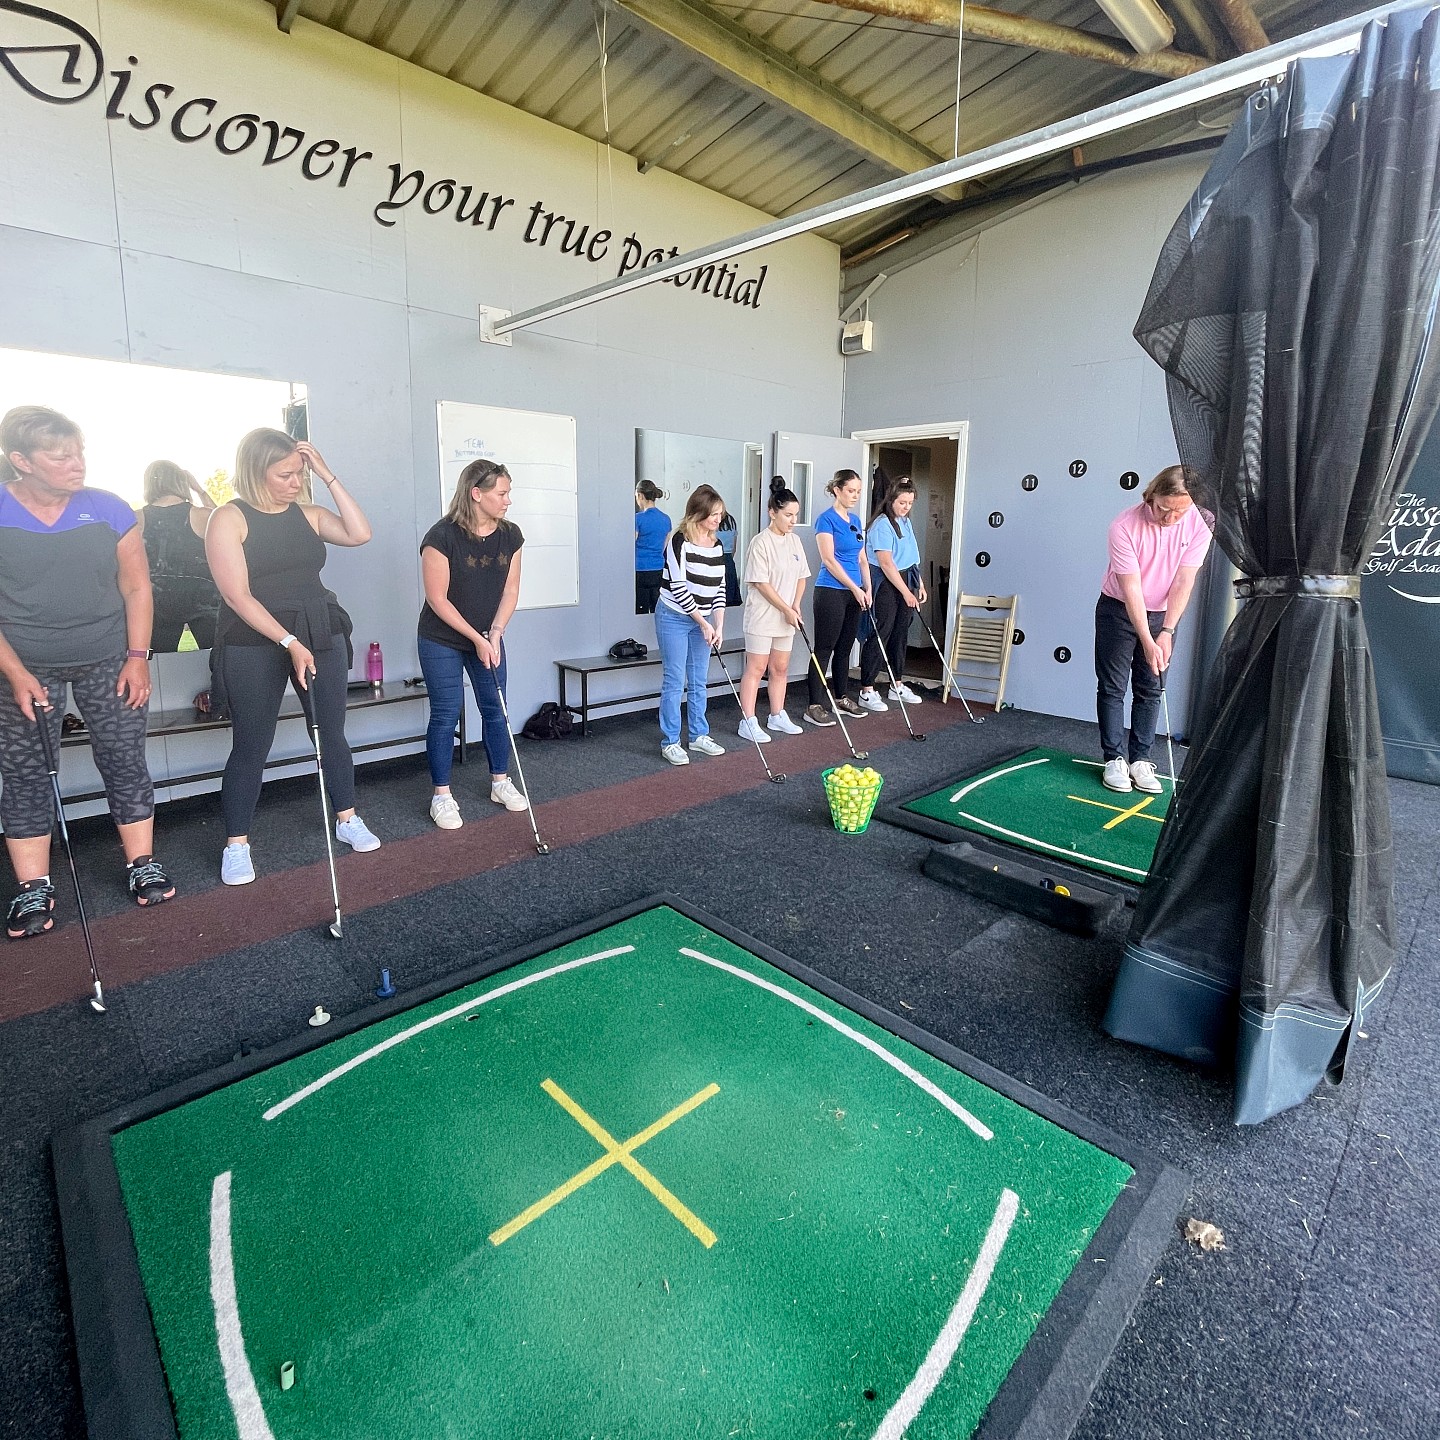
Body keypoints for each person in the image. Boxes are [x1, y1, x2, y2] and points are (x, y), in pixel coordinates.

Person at [0, 405, 174, 939]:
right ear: (20, 460)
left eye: (79, 453)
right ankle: (33, 887)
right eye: (61, 457)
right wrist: (15, 673)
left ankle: (142, 863)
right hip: (25, 664)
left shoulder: (109, 509)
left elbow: (136, 586)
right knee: (26, 773)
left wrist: (138, 657)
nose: (77, 464)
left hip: (108, 657)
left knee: (124, 758)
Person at [205, 428, 378, 885]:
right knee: (251, 744)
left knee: (331, 732)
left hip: (318, 628)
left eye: (301, 473)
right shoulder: (228, 518)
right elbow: (237, 595)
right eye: (285, 475)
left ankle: (347, 819)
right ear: (255, 471)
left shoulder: (308, 513)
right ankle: (236, 844)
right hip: (252, 640)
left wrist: (327, 473)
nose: (296, 482)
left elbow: (360, 533)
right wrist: (289, 642)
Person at [417, 459, 528, 828]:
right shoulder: (441, 536)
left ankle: (500, 782)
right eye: (502, 493)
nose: (508, 500)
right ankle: (441, 796)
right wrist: (475, 638)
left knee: (496, 708)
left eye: (508, 493)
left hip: (488, 636)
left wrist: (495, 632)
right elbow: (438, 599)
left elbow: (511, 590)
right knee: (446, 713)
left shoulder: (510, 535)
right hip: (442, 638)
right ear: (476, 494)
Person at [1095, 465, 1212, 795]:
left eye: (1180, 511)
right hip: (1118, 609)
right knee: (1113, 686)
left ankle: (1141, 760)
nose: (1170, 518)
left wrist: (1167, 632)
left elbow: (1184, 580)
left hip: (1163, 614)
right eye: (1163, 508)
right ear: (1151, 497)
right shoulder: (1124, 525)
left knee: (1151, 687)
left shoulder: (1201, 522)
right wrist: (1147, 639)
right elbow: (1131, 589)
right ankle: (1114, 759)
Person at [655, 484, 727, 765]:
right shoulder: (678, 541)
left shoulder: (717, 545)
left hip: (704, 620)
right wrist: (703, 623)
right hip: (673, 615)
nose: (718, 519)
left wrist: (718, 625)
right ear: (698, 512)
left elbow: (719, 588)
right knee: (674, 680)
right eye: (713, 514)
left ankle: (698, 736)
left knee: (699, 680)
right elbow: (679, 587)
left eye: (720, 514)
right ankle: (670, 742)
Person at [737, 477, 809, 743]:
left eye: (795, 515)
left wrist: (795, 605)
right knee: (757, 668)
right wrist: (786, 608)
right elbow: (760, 583)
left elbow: (801, 576)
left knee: (780, 667)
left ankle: (777, 715)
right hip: (762, 616)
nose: (793, 521)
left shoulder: (795, 541)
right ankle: (748, 721)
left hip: (787, 616)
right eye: (788, 515)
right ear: (772, 512)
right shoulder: (760, 542)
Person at [805, 468, 872, 727]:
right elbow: (829, 560)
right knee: (824, 649)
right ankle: (814, 705)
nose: (855, 495)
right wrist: (854, 588)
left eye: (858, 491)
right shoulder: (826, 520)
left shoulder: (854, 519)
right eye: (850, 491)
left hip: (855, 592)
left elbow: (862, 559)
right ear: (837, 490)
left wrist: (867, 589)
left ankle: (841, 698)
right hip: (831, 591)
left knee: (845, 648)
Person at [856, 474, 926, 713]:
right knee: (881, 631)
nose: (906, 507)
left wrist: (919, 584)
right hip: (885, 582)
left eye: (910, 503)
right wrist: (906, 592)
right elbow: (886, 563)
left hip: (905, 578)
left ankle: (897, 684)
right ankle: (867, 689)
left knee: (900, 633)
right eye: (902, 503)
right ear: (891, 500)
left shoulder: (905, 522)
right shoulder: (882, 525)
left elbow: (911, 557)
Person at [140, 460, 220, 650]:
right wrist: (200, 491)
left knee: (158, 664)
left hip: (158, 602)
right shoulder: (202, 515)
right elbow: (227, 522)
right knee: (220, 658)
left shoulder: (136, 518)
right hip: (205, 600)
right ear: (181, 482)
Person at [634, 481, 670, 614]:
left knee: (640, 610)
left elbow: (631, 544)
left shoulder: (637, 519)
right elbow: (664, 546)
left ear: (640, 495)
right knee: (657, 609)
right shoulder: (666, 519)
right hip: (658, 569)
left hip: (640, 569)